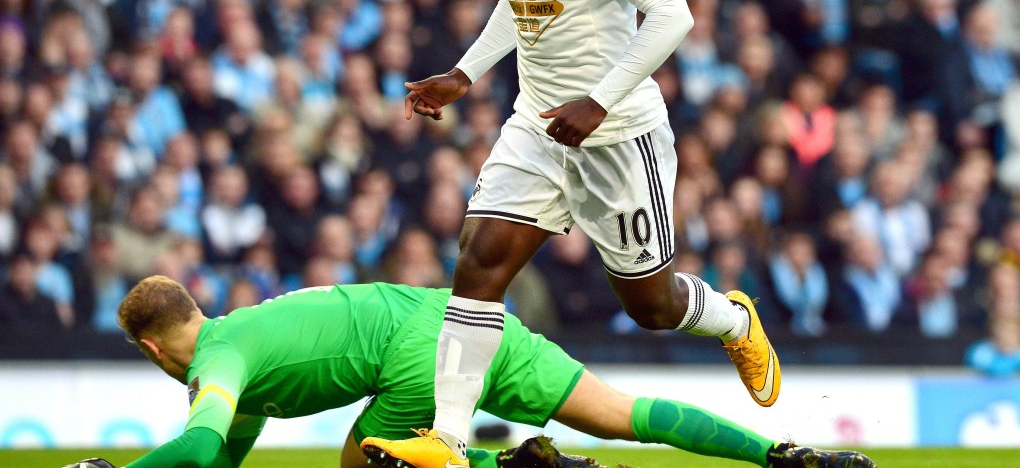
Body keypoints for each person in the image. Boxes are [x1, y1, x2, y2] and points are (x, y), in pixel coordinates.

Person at [365, 0, 779, 467]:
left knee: (651, 304)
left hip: (619, 135)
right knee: (478, 261)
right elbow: (519, 0)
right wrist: (465, 75)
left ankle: (735, 319)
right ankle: (446, 439)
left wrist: (600, 100)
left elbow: (673, 13)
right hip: (537, 124)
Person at [62, 276, 876, 468]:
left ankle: (509, 462)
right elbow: (222, 456)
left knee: (364, 459)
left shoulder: (219, 358)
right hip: (463, 314)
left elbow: (198, 453)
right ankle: (784, 457)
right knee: (618, 413)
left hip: (415, 354)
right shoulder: (240, 339)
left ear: (151, 346)